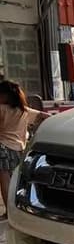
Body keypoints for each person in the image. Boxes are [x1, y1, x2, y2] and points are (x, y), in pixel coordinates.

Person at [0, 79, 49, 217]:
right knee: (16, 181)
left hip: (3, 147)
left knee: (5, 180)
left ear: (5, 95)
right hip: (19, 149)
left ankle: (9, 212)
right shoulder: (24, 111)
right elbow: (45, 116)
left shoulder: (1, 109)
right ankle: (19, 209)